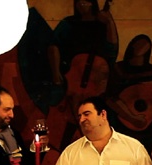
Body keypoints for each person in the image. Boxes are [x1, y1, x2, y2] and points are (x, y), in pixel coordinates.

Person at [47, 0, 119, 151]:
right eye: (79, 2)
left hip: (95, 78)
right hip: (72, 76)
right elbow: (54, 45)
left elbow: (112, 48)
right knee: (67, 110)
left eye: (86, 1)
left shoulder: (102, 23)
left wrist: (109, 22)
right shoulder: (68, 23)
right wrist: (55, 72)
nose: (82, 5)